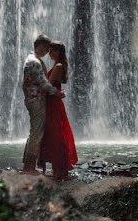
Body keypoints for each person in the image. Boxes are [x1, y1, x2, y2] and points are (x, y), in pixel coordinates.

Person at [21, 34, 64, 174]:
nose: (48, 52)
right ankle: (29, 168)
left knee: (34, 132)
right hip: (36, 100)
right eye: (46, 49)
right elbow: (44, 84)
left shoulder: (31, 59)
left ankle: (28, 165)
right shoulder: (35, 62)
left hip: (32, 99)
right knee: (36, 133)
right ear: (40, 46)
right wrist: (58, 93)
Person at [38, 41, 78, 181]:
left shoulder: (58, 66)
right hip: (52, 103)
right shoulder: (57, 66)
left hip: (53, 105)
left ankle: (59, 169)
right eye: (49, 50)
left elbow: (47, 86)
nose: (50, 53)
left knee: (56, 135)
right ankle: (56, 168)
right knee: (52, 133)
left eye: (52, 50)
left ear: (58, 52)